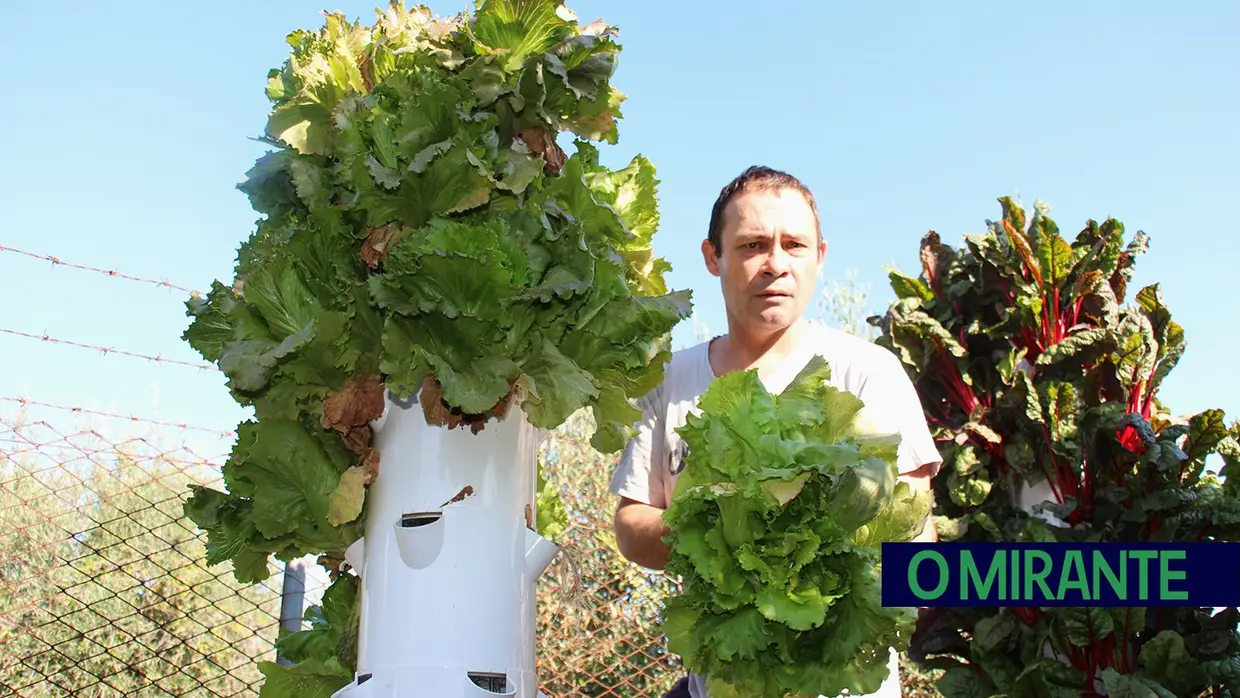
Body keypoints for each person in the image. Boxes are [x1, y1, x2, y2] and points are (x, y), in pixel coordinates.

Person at [607, 165, 943, 698]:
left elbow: (917, 534)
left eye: (795, 246)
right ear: (713, 257)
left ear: (821, 257)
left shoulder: (868, 374)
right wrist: (723, 538)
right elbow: (631, 522)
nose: (776, 265)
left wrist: (817, 563)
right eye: (753, 245)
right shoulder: (671, 380)